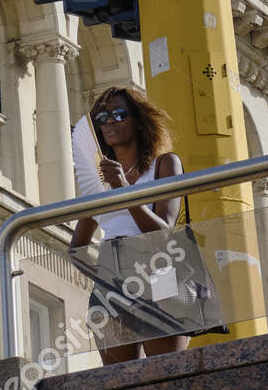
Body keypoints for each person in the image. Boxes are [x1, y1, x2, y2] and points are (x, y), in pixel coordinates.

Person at [68, 86, 188, 364]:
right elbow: (78, 246)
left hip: (158, 271)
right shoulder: (98, 183)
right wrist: (105, 275)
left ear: (139, 120)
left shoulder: (163, 165)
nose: (110, 121)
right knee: (119, 383)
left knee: (166, 372)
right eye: (103, 118)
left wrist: (122, 188)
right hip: (113, 279)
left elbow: (164, 232)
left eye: (119, 114)